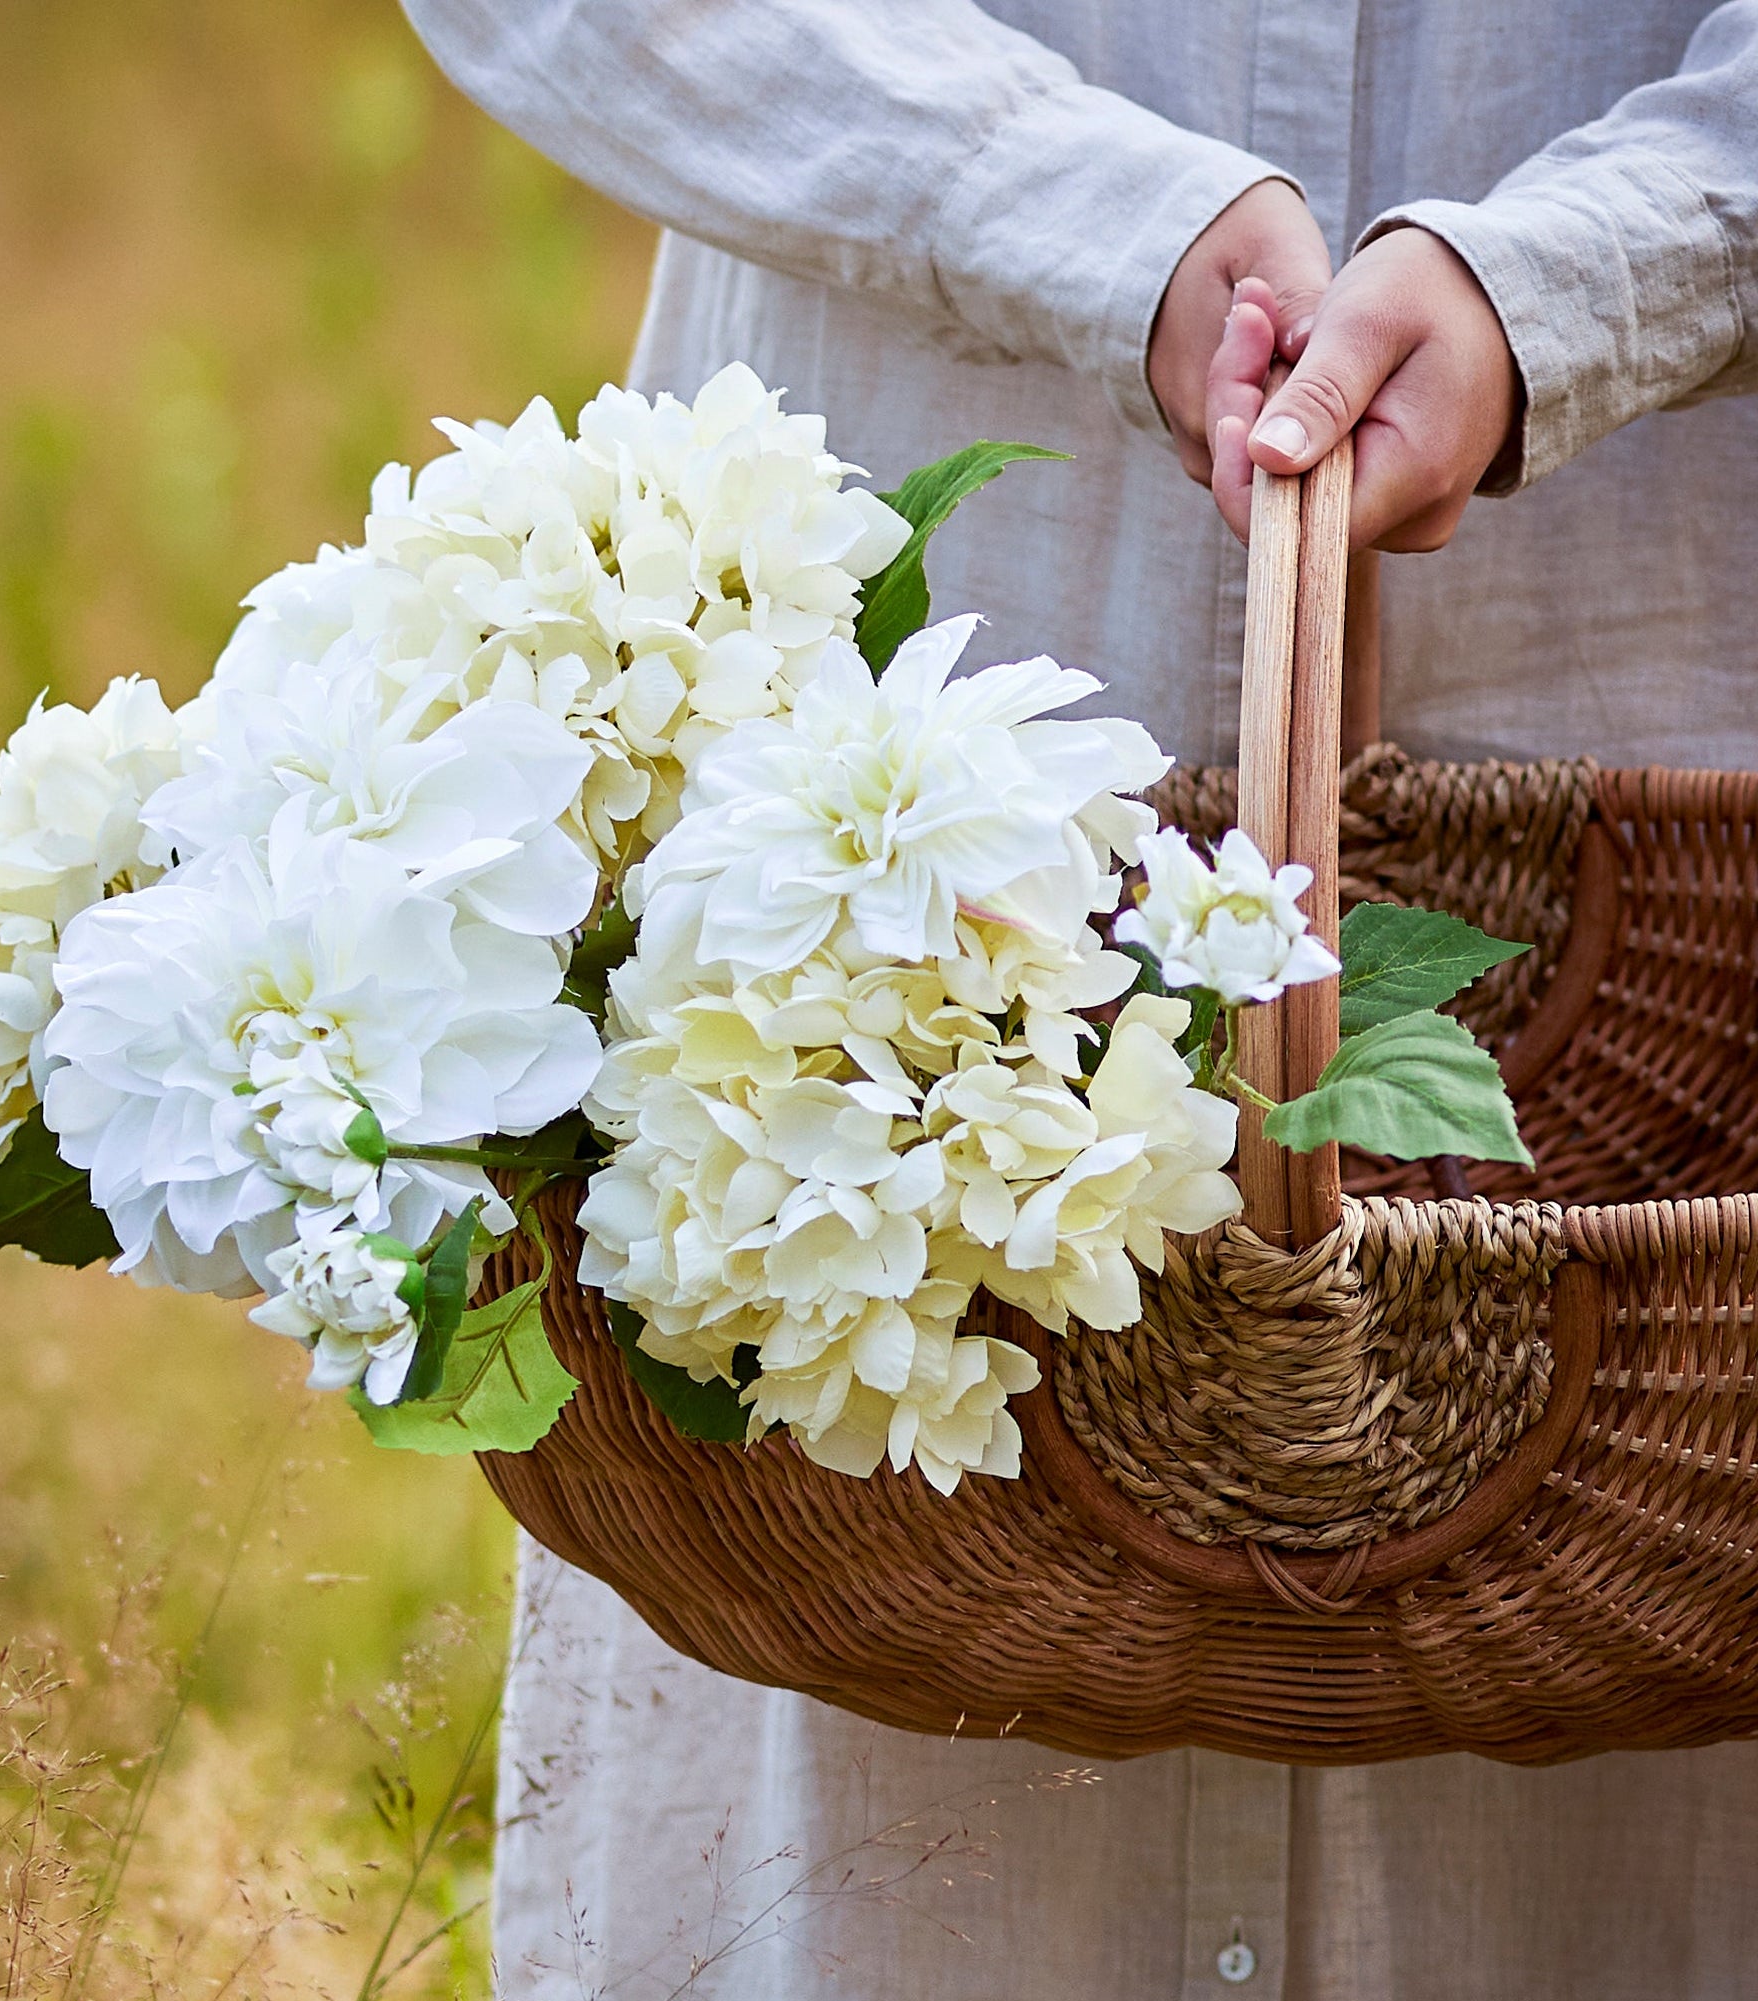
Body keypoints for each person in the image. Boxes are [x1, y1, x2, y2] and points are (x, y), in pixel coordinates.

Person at [397, 4, 1758, 1995]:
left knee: (1631, 1749)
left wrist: (1597, 268)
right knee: (876, 1598)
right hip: (920, 596)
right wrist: (1095, 223)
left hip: (1655, 642)